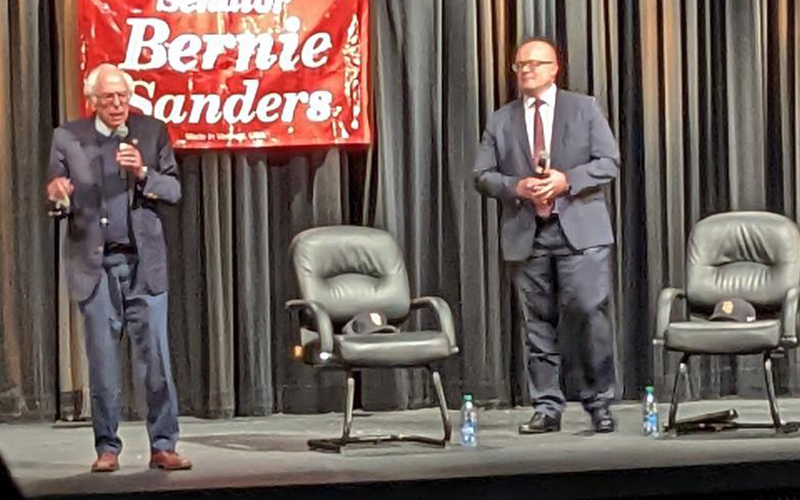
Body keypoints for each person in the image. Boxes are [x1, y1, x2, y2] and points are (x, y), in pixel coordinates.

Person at [45, 63, 191, 471]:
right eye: (108, 98)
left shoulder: (151, 132)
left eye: (123, 97)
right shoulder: (67, 138)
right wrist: (58, 197)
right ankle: (107, 448)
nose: (117, 105)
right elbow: (55, 198)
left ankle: (164, 445)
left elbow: (174, 189)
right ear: (92, 100)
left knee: (157, 361)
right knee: (104, 365)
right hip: (95, 268)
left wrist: (142, 172)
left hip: (145, 266)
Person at [474, 38, 620, 434]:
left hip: (580, 232)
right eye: (519, 65)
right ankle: (547, 406)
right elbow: (482, 176)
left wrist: (566, 181)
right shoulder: (500, 120)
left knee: (590, 315)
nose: (526, 71)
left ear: (555, 68)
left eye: (535, 64)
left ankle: (599, 402)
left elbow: (609, 163)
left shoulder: (584, 108)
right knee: (537, 325)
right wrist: (516, 187)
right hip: (527, 233)